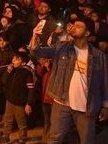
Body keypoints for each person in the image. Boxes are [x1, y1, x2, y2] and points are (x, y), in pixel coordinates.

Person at [31, 15, 108, 144]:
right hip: (62, 102)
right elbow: (37, 52)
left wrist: (106, 106)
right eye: (74, 25)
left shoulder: (98, 55)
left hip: (86, 106)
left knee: (87, 141)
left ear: (87, 33)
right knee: (54, 139)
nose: (74, 27)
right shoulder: (61, 47)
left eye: (79, 26)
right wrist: (35, 35)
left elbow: (104, 82)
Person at [0, 52, 35, 144]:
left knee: (21, 122)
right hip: (10, 101)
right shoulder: (12, 70)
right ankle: (6, 136)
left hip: (20, 103)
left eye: (16, 59)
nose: (13, 61)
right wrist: (8, 72)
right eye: (13, 59)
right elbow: (3, 81)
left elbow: (31, 90)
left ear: (23, 63)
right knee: (7, 120)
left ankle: (22, 139)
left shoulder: (27, 73)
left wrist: (29, 103)